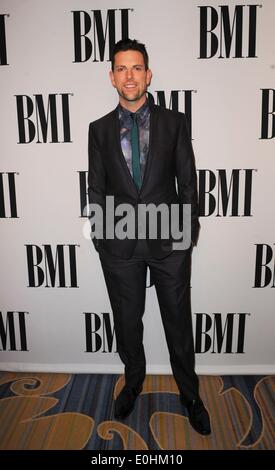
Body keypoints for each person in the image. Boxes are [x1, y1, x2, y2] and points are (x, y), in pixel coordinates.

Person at [87, 38, 211, 436]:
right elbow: (96, 187)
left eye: (136, 68)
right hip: (120, 244)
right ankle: (134, 383)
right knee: (127, 323)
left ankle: (190, 395)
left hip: (169, 243)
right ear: (111, 76)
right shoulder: (99, 130)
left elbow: (187, 181)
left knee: (178, 322)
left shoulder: (174, 122)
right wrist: (101, 239)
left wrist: (187, 233)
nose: (129, 76)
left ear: (148, 74)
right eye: (121, 68)